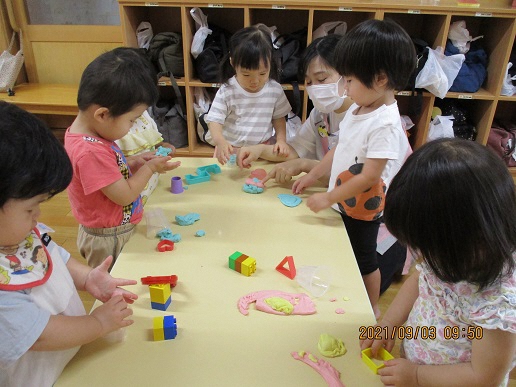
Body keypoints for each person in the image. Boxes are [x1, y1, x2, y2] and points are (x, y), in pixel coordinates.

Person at [0, 101, 138, 386]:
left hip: (72, 357)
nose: (37, 216)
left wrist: (88, 278)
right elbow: (41, 333)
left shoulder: (17, 231)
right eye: (30, 208)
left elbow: (54, 254)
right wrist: (98, 323)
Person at [362, 138, 516, 386]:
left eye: (427, 247)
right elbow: (419, 280)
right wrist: (389, 324)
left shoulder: (500, 302)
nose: (423, 256)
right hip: (417, 370)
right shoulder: (450, 255)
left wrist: (416, 376)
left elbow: (485, 376)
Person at [292, 19, 415, 319]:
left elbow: (370, 176)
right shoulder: (360, 109)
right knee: (340, 248)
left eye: (349, 81)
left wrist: (329, 197)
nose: (344, 89)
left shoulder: (386, 123)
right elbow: (340, 148)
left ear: (381, 79)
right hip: (345, 201)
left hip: (364, 208)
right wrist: (313, 175)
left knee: (365, 261)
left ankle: (369, 305)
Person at [65, 47, 181, 269]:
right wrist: (150, 169)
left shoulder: (88, 135)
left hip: (113, 230)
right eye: (132, 119)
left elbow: (103, 175)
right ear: (103, 114)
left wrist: (134, 162)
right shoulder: (89, 151)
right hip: (110, 238)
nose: (133, 126)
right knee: (115, 286)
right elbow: (124, 196)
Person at [237, 34, 353, 184]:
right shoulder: (320, 114)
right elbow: (294, 150)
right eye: (309, 81)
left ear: (347, 74)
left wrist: (304, 164)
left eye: (322, 79)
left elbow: (352, 175)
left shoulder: (362, 117)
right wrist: (259, 150)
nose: (315, 87)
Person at [204, 24, 292, 165]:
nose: (255, 81)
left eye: (262, 73)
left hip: (263, 149)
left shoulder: (274, 89)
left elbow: (279, 118)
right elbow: (214, 120)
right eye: (246, 74)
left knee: (259, 182)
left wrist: (281, 140)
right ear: (233, 63)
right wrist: (220, 142)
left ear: (271, 62)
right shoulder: (228, 89)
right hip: (230, 150)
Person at [115, 110, 175, 205]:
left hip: (152, 189)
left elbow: (154, 142)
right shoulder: (112, 128)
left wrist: (165, 146)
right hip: (130, 198)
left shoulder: (143, 116)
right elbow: (112, 165)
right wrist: (147, 166)